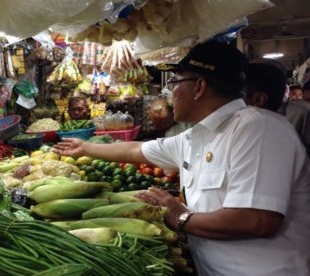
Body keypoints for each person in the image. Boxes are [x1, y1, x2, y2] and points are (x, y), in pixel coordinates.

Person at [54, 41, 310, 275]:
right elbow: (136, 151)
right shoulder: (196, 137)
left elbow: (257, 219)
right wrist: (84, 148)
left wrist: (178, 216)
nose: (169, 93)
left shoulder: (258, 129)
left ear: (199, 87)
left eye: (174, 83)